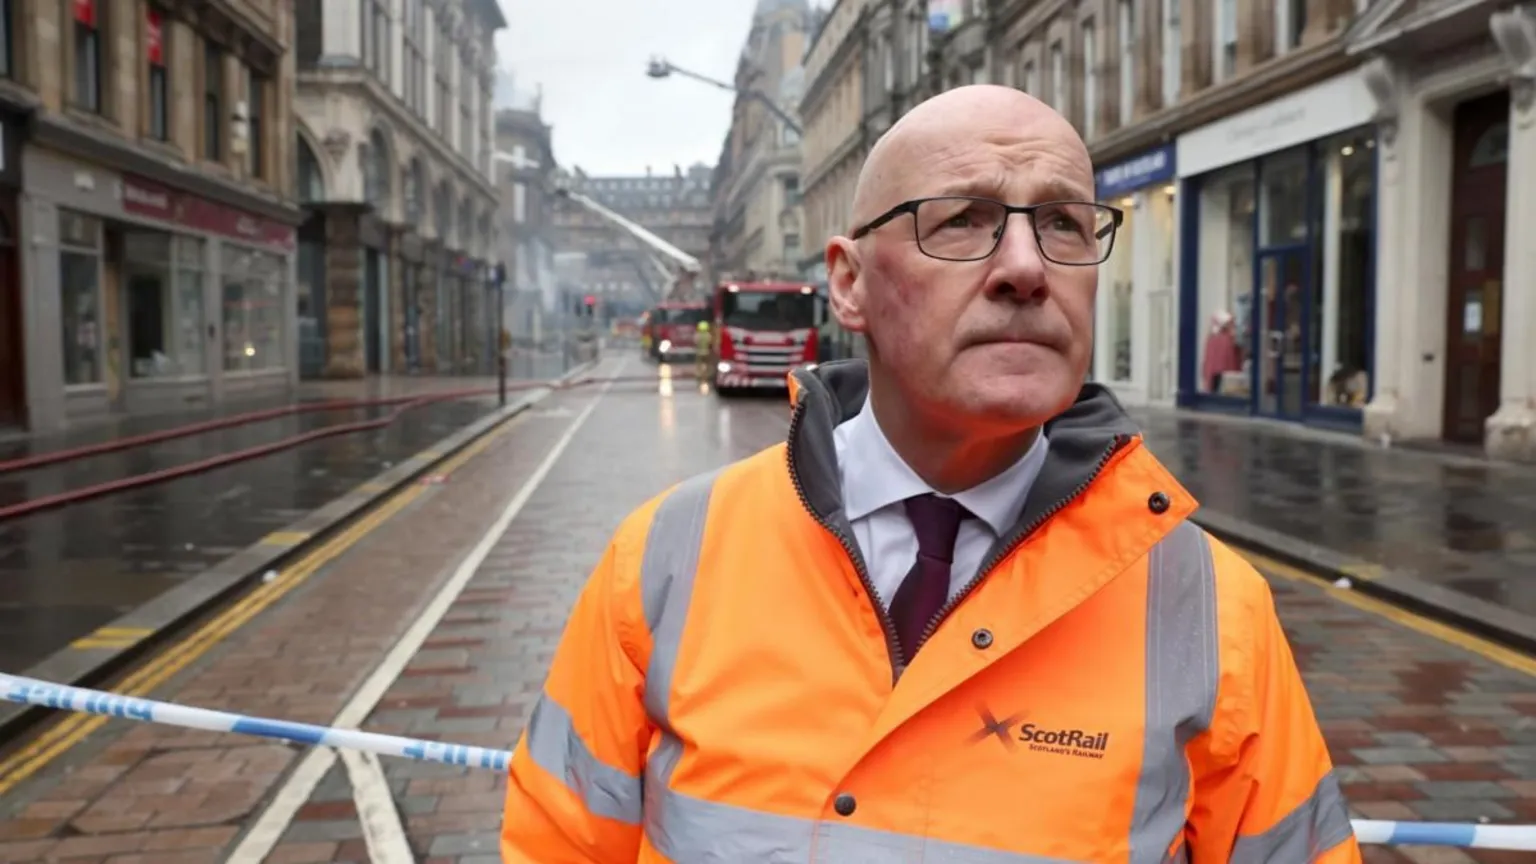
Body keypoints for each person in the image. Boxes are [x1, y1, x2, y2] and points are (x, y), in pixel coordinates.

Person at [501, 85, 1360, 863]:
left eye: (1063, 223)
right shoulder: (662, 561)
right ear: (849, 284)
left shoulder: (1211, 607)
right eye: (961, 220)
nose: (1026, 267)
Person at [693, 319, 713, 385]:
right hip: (707, 352)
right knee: (707, 364)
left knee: (699, 365)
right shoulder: (708, 335)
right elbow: (710, 343)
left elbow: (695, 342)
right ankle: (706, 375)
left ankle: (699, 375)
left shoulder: (697, 335)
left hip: (699, 352)